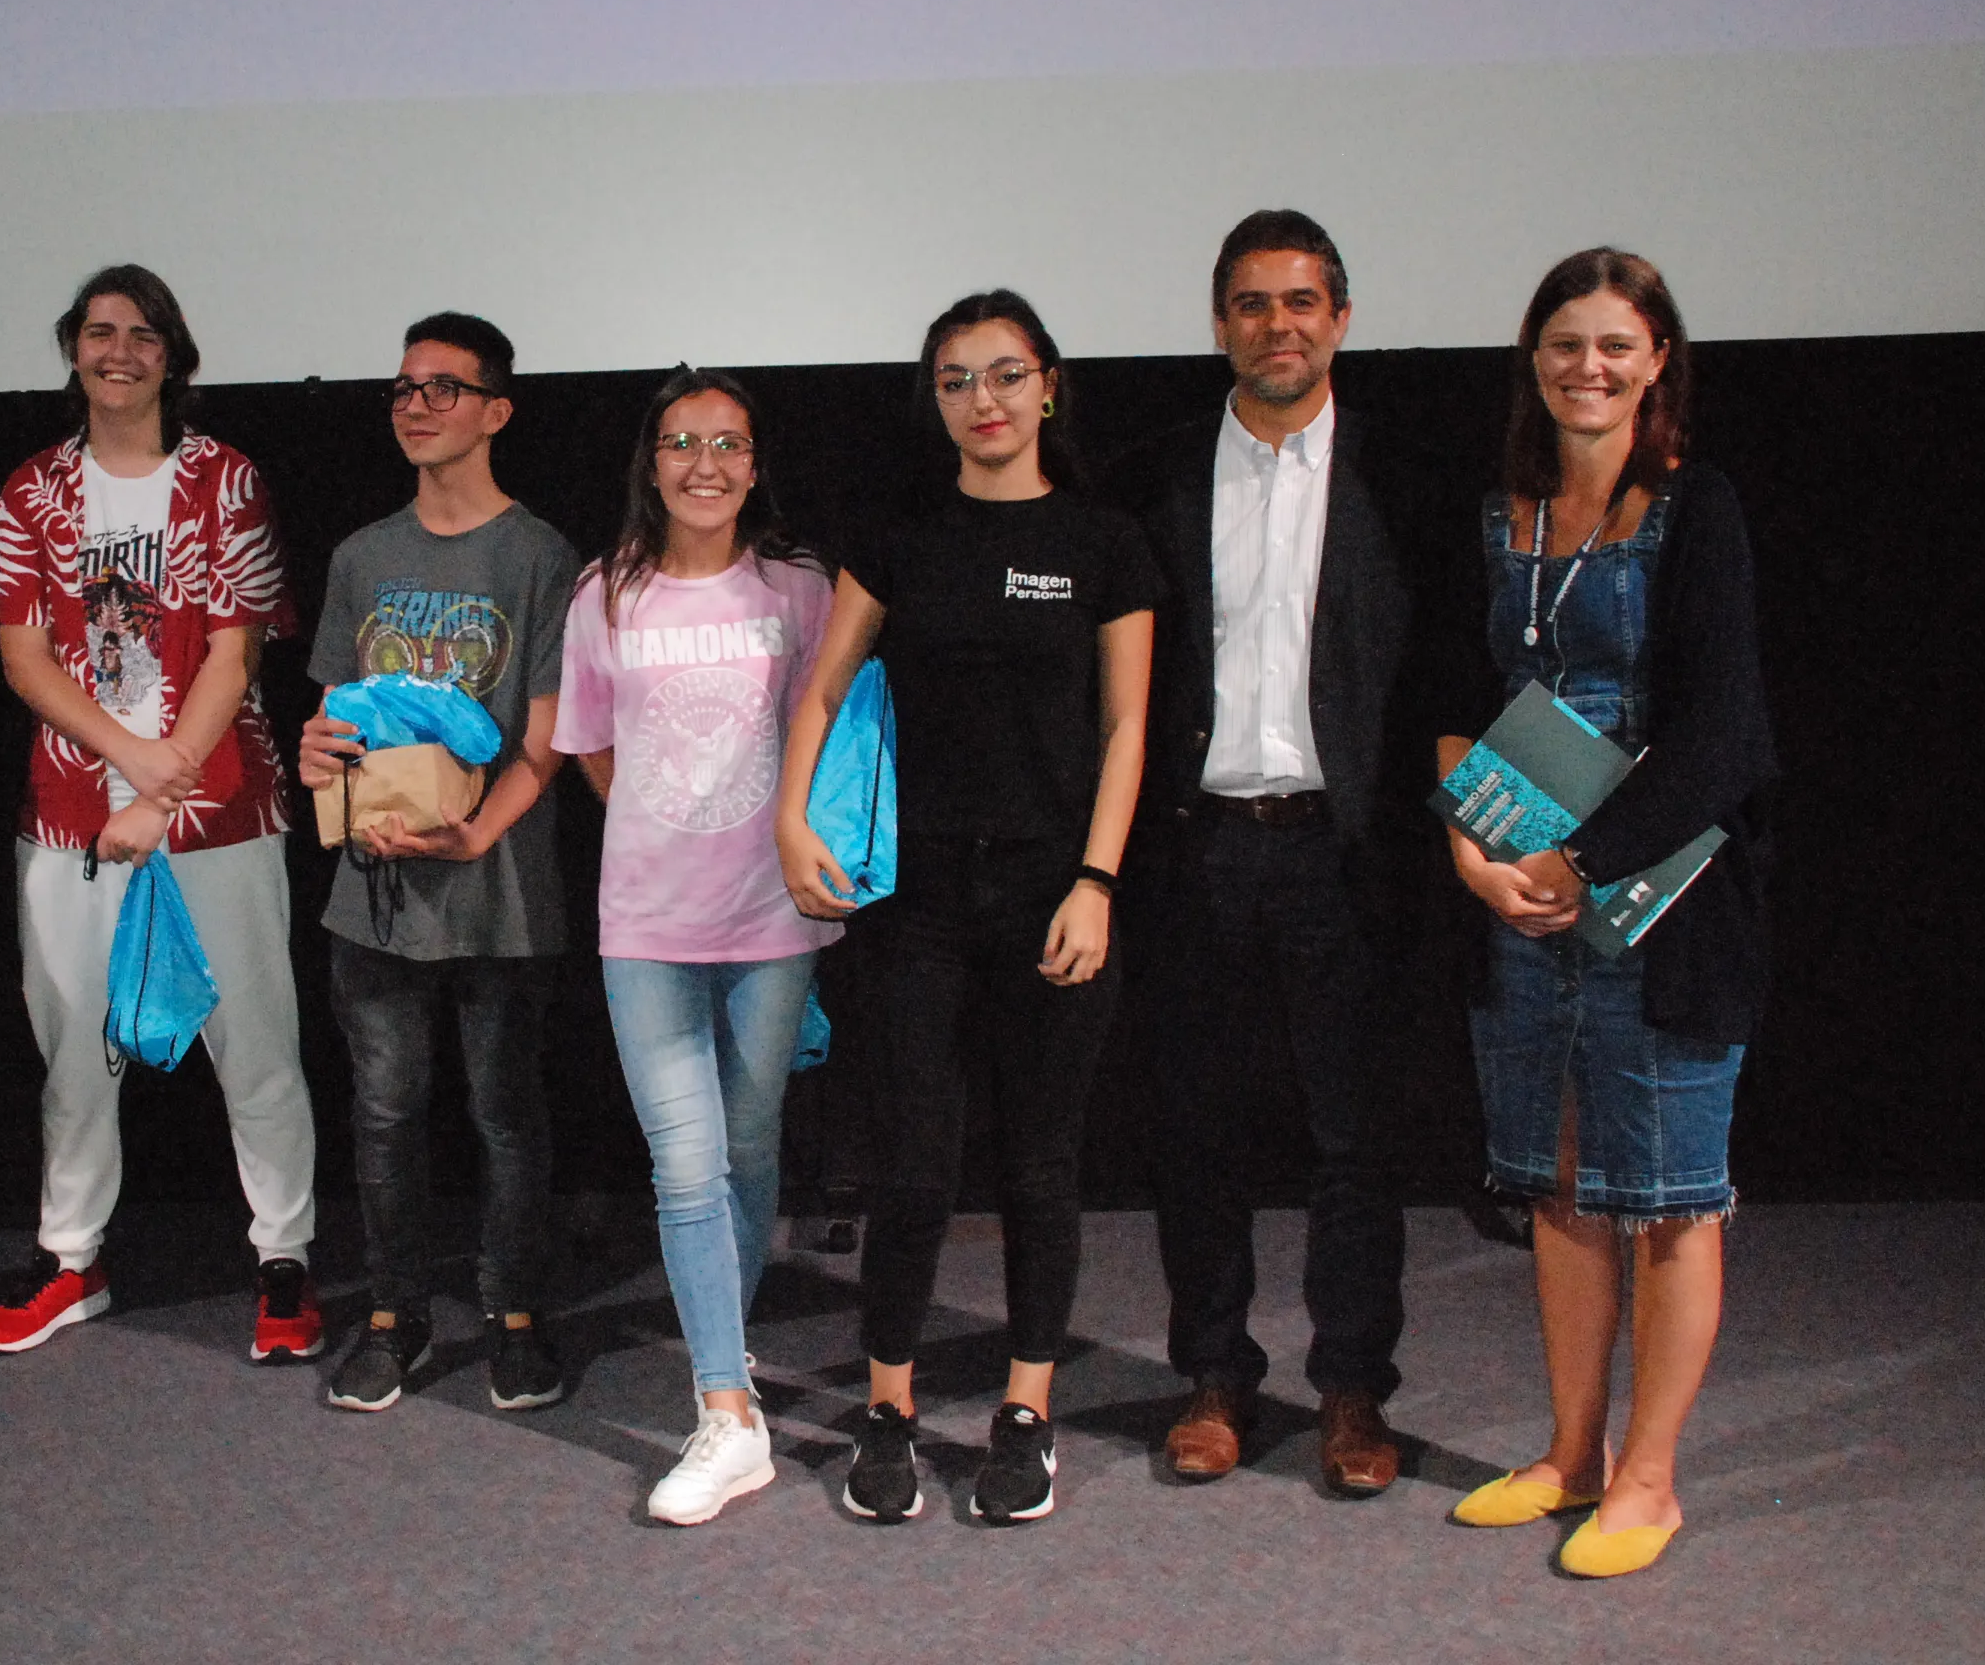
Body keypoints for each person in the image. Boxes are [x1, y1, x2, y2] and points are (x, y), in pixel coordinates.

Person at [776, 290, 1158, 1525]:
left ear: (1048, 386)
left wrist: (1096, 883)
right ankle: (886, 1411)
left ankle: (1024, 1414)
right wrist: (790, 818)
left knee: (1042, 1169)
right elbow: (821, 694)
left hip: (1053, 895)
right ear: (932, 400)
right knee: (912, 1170)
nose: (981, 400)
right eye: (954, 380)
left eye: (1003, 374)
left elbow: (1127, 727)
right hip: (917, 903)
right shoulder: (899, 537)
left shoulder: (1104, 543)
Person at [1113, 209, 1465, 1495]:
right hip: (1195, 850)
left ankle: (1352, 1393)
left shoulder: (1405, 477)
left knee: (1353, 1140)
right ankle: (1212, 1376)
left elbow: (1445, 672)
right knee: (1195, 1130)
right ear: (1219, 324)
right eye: (1253, 304)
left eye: (1302, 301)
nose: (1278, 325)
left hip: (1343, 854)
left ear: (1342, 319)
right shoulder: (1149, 477)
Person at [1437, 248, 1775, 1579]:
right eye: (1566, 343)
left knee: (1673, 1199)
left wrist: (1583, 861)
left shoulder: (1697, 507)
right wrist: (1473, 853)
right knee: (1563, 1187)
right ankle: (1570, 1454)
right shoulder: (1501, 517)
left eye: (1615, 346)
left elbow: (1725, 732)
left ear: (1657, 363)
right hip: (1521, 900)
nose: (1589, 367)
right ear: (1534, 360)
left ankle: (1649, 1479)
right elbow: (1453, 700)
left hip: (1664, 900)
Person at [0, 265, 323, 1366]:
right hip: (73, 814)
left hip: (223, 811)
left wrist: (162, 788)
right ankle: (70, 1260)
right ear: (72, 349)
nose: (117, 353)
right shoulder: (32, 491)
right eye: (98, 332)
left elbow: (236, 649)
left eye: (140, 335)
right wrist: (129, 767)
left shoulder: (225, 480)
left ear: (172, 356)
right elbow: (24, 657)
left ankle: (285, 1260)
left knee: (256, 1044)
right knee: (74, 1052)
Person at [552, 367, 837, 1523]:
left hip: (772, 916)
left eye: (727, 444)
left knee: (749, 1144)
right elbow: (590, 744)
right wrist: (662, 828)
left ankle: (729, 1362)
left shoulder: (798, 589)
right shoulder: (605, 593)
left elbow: (828, 730)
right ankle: (725, 1409)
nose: (703, 464)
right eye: (681, 443)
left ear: (755, 466)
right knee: (685, 1161)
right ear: (652, 462)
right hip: (647, 922)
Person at [300, 312, 579, 1413]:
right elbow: (334, 716)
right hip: (376, 894)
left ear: (496, 411)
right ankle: (394, 1315)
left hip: (496, 890)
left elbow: (548, 742)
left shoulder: (540, 556)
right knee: (384, 1114)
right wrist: (324, 764)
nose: (416, 406)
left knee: (506, 1115)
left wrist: (475, 832)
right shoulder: (361, 557)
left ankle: (515, 1314)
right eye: (404, 388)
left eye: (443, 388)